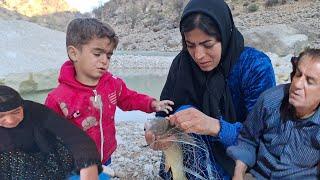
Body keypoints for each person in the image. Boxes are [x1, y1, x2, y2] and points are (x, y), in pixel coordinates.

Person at [145, 0, 276, 179]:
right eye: (190, 45)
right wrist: (157, 134)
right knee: (182, 112)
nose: (198, 55)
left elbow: (265, 137)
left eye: (208, 45)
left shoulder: (255, 66)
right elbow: (164, 112)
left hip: (239, 158)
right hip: (190, 158)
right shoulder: (182, 63)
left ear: (225, 34)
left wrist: (214, 126)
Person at [44, 18, 174, 168]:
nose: (104, 60)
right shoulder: (58, 98)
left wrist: (152, 103)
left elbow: (129, 98)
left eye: (109, 55)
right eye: (97, 54)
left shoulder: (112, 83)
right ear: (74, 53)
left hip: (105, 157)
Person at [227, 48, 320, 179]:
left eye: (309, 81)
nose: (297, 84)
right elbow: (248, 139)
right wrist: (238, 173)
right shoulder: (270, 100)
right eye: (298, 74)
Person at [0, 85, 101, 179]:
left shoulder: (36, 111)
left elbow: (74, 135)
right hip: (10, 167)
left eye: (16, 112)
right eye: (1, 116)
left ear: (22, 106)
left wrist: (88, 164)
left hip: (47, 159)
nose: (10, 120)